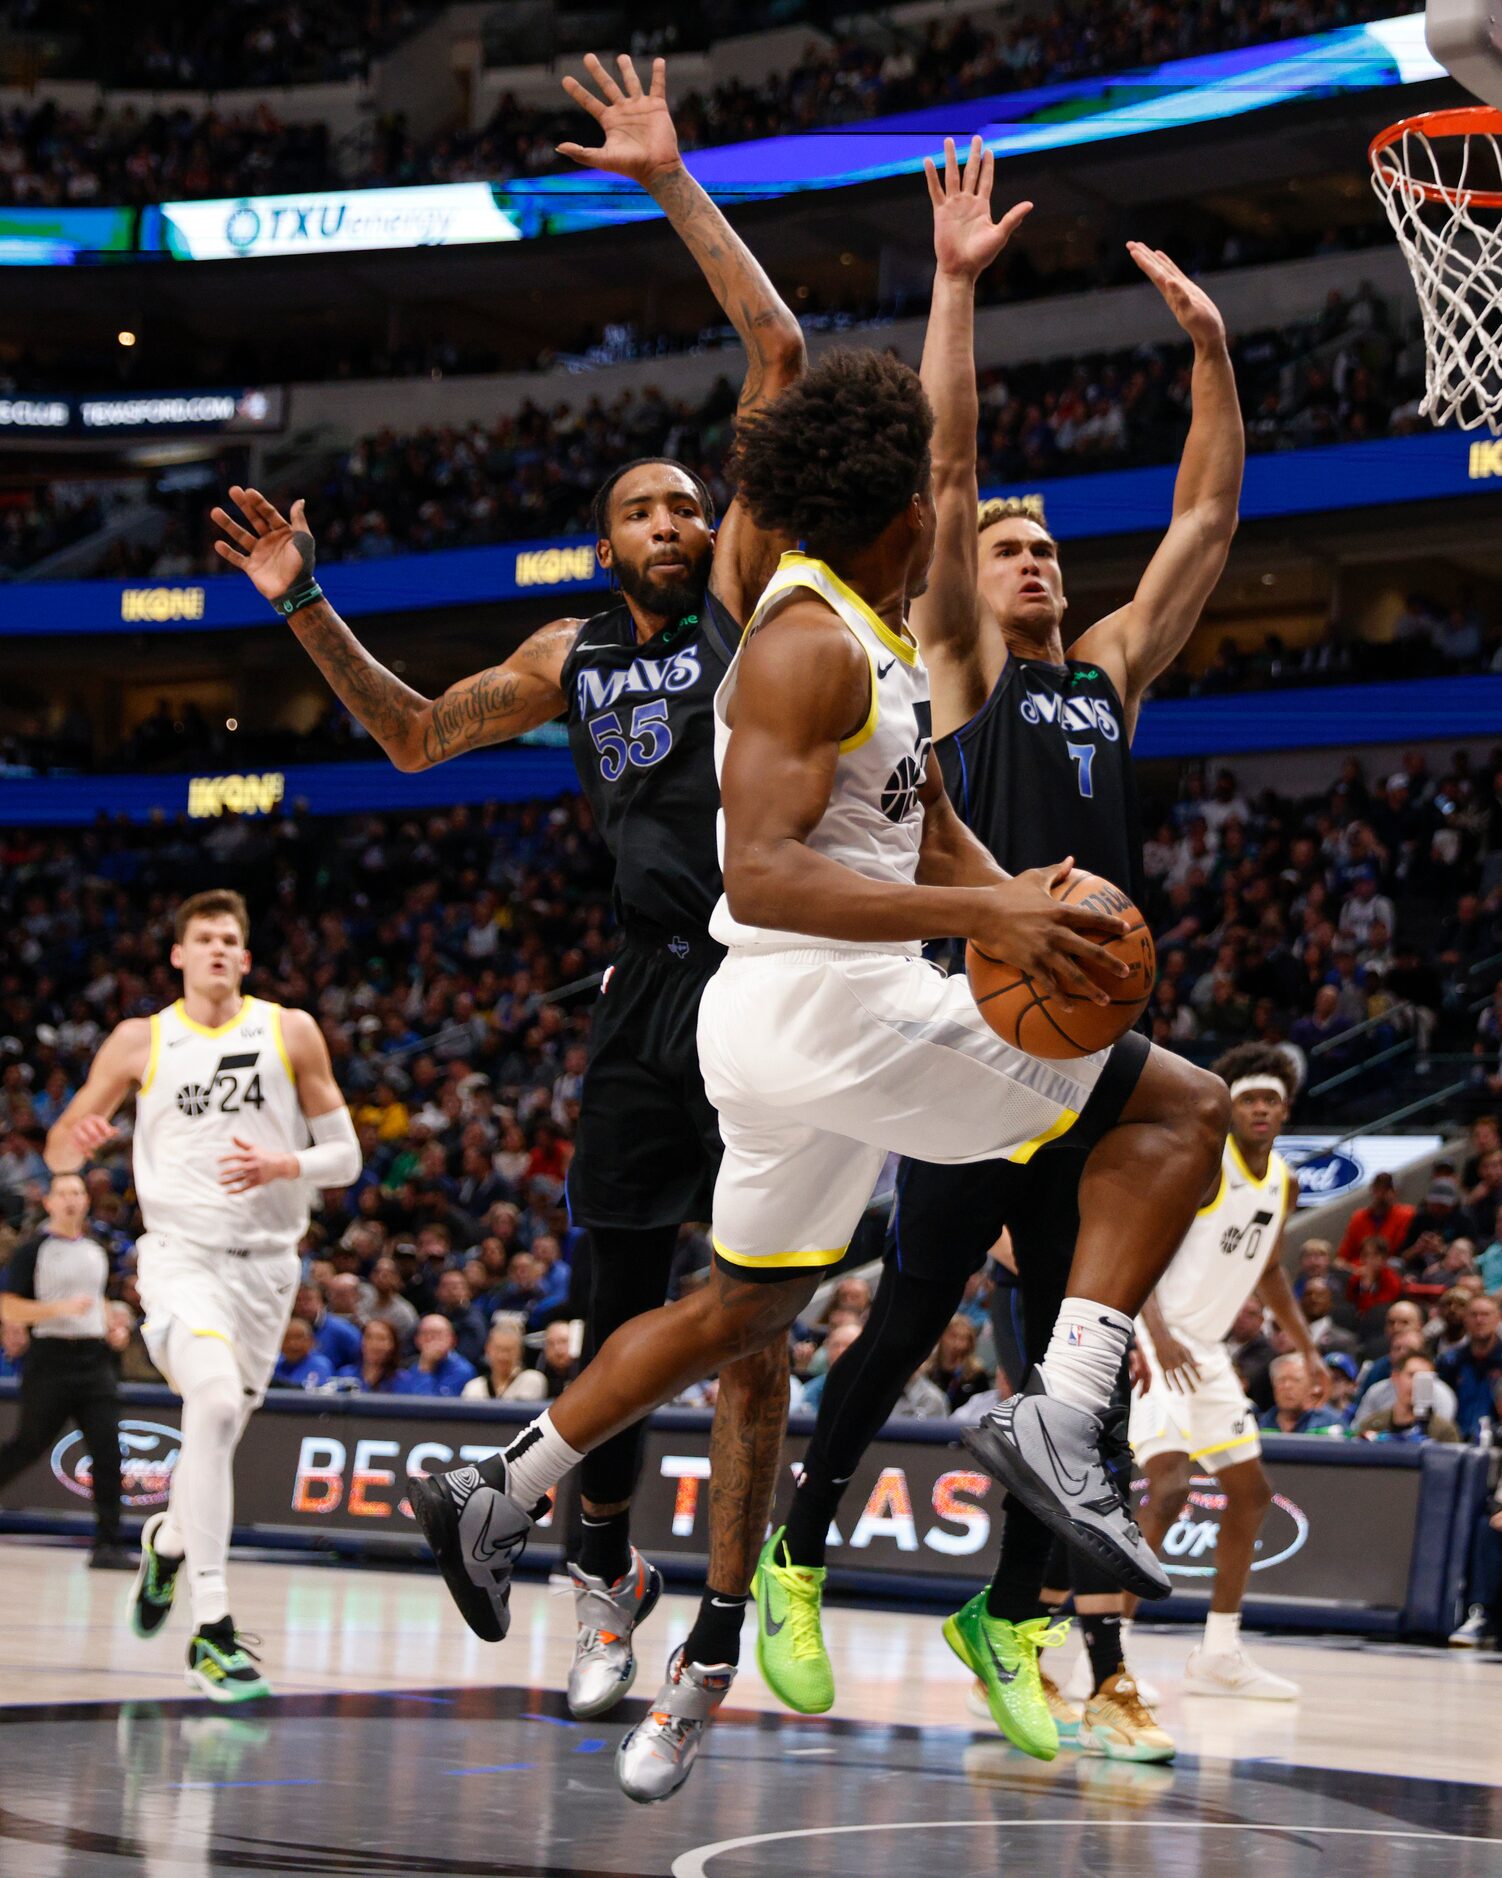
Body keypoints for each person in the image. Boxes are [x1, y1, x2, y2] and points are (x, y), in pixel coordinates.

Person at [405, 331, 1230, 1775]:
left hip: (789, 1031)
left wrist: (1008, 889)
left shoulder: (868, 633)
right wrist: (986, 915)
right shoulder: (806, 641)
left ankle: (498, 1486)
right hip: (823, 1005)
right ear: (904, 513)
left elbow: (911, 821)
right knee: (1181, 1109)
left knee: (738, 1306)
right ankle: (1066, 1408)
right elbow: (769, 871)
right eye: (931, 494)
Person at [212, 51, 802, 1790]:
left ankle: (716, 1625)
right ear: (596, 537)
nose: (676, 516)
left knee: (751, 1317)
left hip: (765, 982)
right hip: (639, 1005)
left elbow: (772, 358)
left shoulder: (747, 595)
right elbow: (406, 735)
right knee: (621, 1320)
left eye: (688, 501)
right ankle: (602, 1581)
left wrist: (671, 180)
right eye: (644, 504)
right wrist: (301, 599)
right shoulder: (568, 654)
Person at [747, 139, 1243, 1766]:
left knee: (1070, 1384)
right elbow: (949, 471)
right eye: (1009, 547)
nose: (1026, 558)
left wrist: (1214, 353)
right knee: (901, 1325)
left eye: (1044, 549)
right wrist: (954, 287)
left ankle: (1010, 1614)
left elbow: (1207, 515)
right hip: (971, 1030)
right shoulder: (954, 664)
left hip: (1086, 1039)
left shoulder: (1102, 675)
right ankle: (794, 1552)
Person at [44, 888, 361, 1703]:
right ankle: (212, 1631)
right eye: (203, 939)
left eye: (230, 939)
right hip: (180, 1260)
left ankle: (171, 1542)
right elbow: (58, 1145)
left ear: (245, 959)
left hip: (268, 1272)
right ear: (179, 956)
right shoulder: (139, 1040)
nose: (218, 950)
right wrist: (73, 1141)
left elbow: (349, 1157)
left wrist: (288, 1164)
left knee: (217, 1434)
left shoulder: (289, 1029)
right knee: (213, 1406)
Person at [1126, 1044, 1329, 1700]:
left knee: (1251, 1493)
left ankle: (1219, 1651)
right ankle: (1111, 1656)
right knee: (1170, 1489)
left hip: (1206, 1349)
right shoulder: (1204, 1165)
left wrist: (1306, 1349)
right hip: (1154, 1338)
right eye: (1249, 1100)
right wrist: (1157, 1334)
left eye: (1271, 1099)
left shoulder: (1284, 1183)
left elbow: (1268, 1270)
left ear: (1285, 1109)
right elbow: (1144, 1244)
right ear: (1231, 1107)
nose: (1261, 1109)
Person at [0, 1171, 130, 1568]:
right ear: (50, 1202)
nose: (71, 1199)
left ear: (86, 1201)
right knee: (28, 1446)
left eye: (77, 1192)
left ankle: (107, 1545)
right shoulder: (33, 1250)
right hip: (50, 1359)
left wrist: (113, 1323)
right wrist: (56, 1309)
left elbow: (99, 1298)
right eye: (63, 1193)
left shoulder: (97, 1248)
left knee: (108, 1455)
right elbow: (9, 1307)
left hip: (94, 1362)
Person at [1353, 1351, 1462, 1443]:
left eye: (1425, 1378)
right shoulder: (1372, 1424)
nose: (1417, 1384)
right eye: (1411, 1375)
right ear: (1395, 1377)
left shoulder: (1444, 1431)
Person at [1436, 1294, 1502, 1439]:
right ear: (1465, 1319)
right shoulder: (1450, 1361)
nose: (1479, 1320)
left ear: (1498, 1318)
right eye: (1474, 1315)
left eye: (1486, 1314)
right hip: (1455, 1439)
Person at [1335, 1171, 1414, 1265]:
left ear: (1395, 1192)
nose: (1382, 1194)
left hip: (1390, 1268)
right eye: (1379, 1189)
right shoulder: (1359, 1218)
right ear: (1373, 1190)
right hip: (1359, 1269)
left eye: (1387, 1189)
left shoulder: (1406, 1215)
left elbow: (1401, 1251)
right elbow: (1344, 1254)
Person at [1257, 1353, 1344, 1435]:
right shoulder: (1258, 1425)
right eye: (1281, 1380)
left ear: (1312, 1386)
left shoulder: (1331, 1424)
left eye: (1296, 1380)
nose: (1287, 1386)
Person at [463, 1319, 548, 1403]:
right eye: (498, 1349)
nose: (503, 1356)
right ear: (488, 1349)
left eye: (509, 1350)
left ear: (520, 1352)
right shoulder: (474, 1387)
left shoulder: (532, 1380)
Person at [395, 1316, 477, 1398]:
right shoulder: (407, 1368)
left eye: (437, 1334)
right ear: (416, 1340)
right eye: (425, 1333)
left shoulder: (463, 1370)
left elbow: (431, 1408)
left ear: (452, 1339)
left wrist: (425, 1368)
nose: (431, 1339)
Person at [340, 1317, 404, 1394]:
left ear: (392, 1345)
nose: (374, 1344)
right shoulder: (345, 1374)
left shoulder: (402, 1381)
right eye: (369, 1337)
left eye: (381, 1339)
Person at [270, 1317, 335, 1391]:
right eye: (287, 1338)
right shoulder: (275, 1364)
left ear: (311, 1341)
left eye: (299, 1338)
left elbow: (309, 1392)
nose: (293, 1344)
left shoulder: (319, 1364)